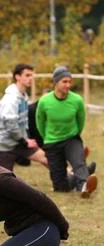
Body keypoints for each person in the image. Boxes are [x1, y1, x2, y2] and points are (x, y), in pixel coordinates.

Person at [36, 66, 98, 198]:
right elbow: (40, 122)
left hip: (71, 138)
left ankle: (84, 186)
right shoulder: (44, 101)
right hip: (52, 142)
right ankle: (83, 174)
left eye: (70, 81)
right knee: (60, 187)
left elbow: (80, 120)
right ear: (56, 82)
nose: (68, 85)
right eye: (64, 81)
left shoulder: (77, 100)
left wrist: (75, 135)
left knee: (78, 162)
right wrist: (47, 137)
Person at [0, 64, 47, 171]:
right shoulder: (11, 99)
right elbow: (11, 125)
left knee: (46, 158)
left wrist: (26, 139)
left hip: (18, 141)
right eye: (27, 75)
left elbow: (22, 123)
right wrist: (25, 141)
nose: (30, 78)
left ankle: (73, 179)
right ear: (17, 77)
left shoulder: (23, 96)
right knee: (2, 181)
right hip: (2, 144)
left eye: (31, 75)